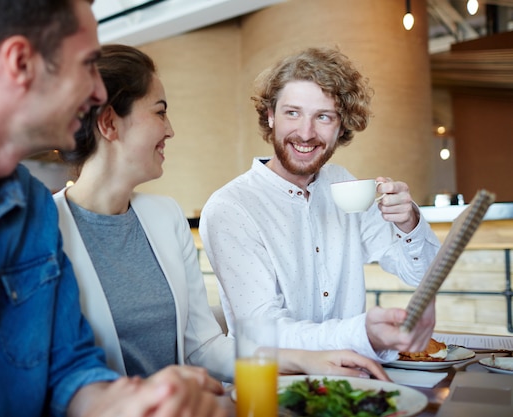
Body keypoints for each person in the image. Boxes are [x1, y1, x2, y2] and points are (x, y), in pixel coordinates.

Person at [0, 1, 225, 416]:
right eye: (86, 65)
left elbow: (69, 367)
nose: (99, 92)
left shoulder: (33, 207)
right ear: (21, 62)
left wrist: (128, 402)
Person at [53, 44, 390, 383]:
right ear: (110, 123)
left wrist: (308, 361)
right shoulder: (45, 230)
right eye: (159, 112)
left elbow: (204, 347)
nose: (170, 129)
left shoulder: (164, 216)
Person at [199, 47, 442, 362]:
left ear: (341, 126)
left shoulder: (342, 183)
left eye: (323, 116)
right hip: (271, 392)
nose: (306, 132)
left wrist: (408, 222)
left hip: (352, 382)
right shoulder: (231, 208)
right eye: (292, 113)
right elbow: (262, 331)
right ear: (270, 115)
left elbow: (422, 274)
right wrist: (362, 333)